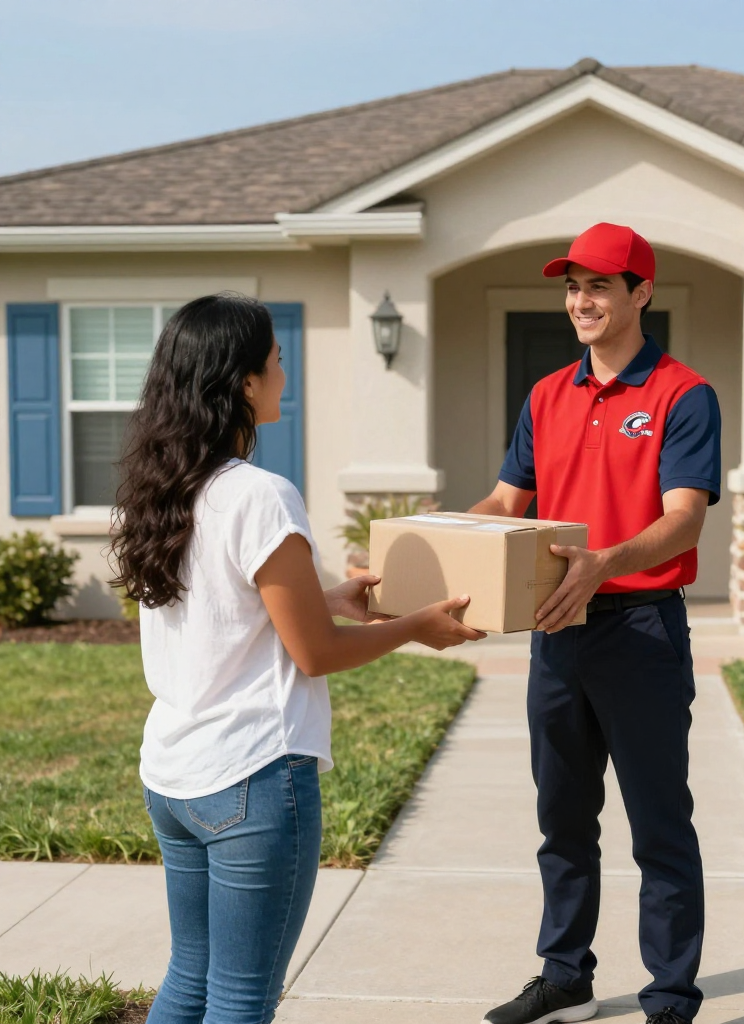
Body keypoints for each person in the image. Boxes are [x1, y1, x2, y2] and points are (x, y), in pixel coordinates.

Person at [111, 294, 484, 1024]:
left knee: (190, 978)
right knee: (242, 997)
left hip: (175, 775)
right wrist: (415, 626)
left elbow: (229, 610)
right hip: (252, 779)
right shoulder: (260, 496)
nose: (286, 370)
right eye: (277, 359)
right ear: (244, 382)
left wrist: (334, 595)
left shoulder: (154, 492)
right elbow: (313, 652)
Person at [472, 224, 722, 1024]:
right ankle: (564, 970)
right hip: (557, 635)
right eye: (572, 285)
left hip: (641, 631)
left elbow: (684, 521)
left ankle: (671, 997)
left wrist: (603, 563)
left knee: (659, 826)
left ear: (641, 292)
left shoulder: (683, 395)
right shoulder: (546, 395)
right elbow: (505, 505)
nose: (580, 300)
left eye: (600, 286)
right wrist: (426, 545)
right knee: (562, 817)